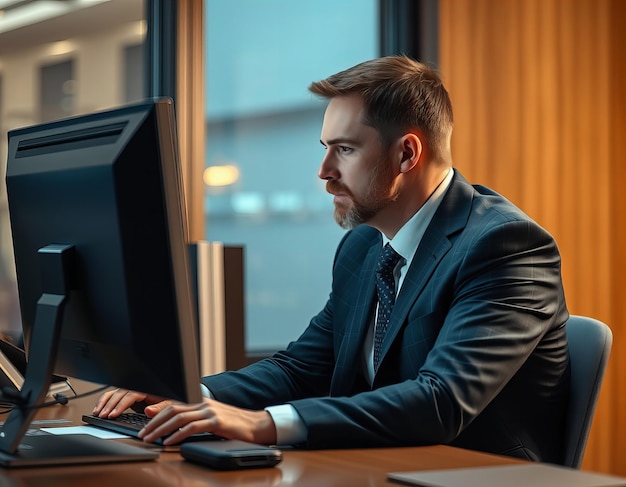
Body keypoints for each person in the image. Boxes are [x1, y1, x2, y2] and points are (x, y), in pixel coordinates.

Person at [93, 55, 570, 463]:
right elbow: (300, 368)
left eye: (344, 149)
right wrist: (195, 396)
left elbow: (440, 401)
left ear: (407, 154)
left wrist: (262, 425)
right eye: (326, 149)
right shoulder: (363, 246)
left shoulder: (506, 246)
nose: (324, 172)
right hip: (373, 465)